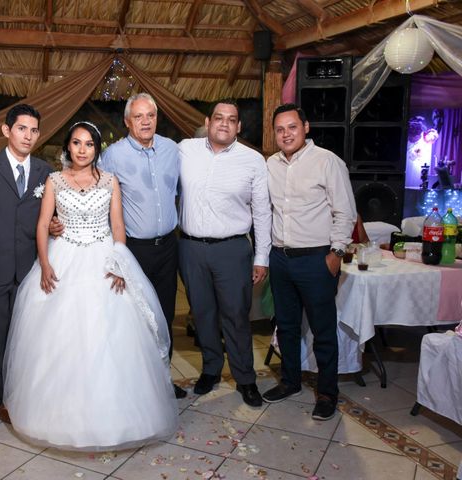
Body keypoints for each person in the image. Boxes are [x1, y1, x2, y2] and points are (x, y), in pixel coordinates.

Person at [3, 121, 178, 450]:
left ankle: (118, 418)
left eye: (89, 144)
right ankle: (57, 416)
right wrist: (44, 263)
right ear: (68, 147)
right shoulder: (54, 180)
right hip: (63, 259)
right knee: (61, 339)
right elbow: (43, 225)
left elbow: (118, 225)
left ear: (97, 149)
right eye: (76, 143)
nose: (82, 149)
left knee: (110, 337)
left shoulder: (111, 181)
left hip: (103, 260)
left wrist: (119, 262)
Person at [56, 93, 187, 398]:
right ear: (127, 121)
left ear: (157, 118)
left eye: (150, 115)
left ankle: (163, 379)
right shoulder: (112, 155)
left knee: (164, 313)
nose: (145, 121)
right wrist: (59, 219)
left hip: (168, 246)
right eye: (138, 116)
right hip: (134, 248)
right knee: (134, 317)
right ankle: (138, 383)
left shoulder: (172, 149)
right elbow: (84, 186)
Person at [264, 103, 356, 421]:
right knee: (287, 326)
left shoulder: (327, 162)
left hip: (317, 260)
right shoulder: (270, 165)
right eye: (280, 129)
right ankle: (290, 382)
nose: (286, 134)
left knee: (323, 330)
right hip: (281, 259)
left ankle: (328, 393)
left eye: (292, 127)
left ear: (306, 127)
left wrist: (337, 253)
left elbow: (345, 211)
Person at [178, 99, 272, 407]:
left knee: (236, 317)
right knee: (203, 315)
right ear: (208, 122)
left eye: (231, 120)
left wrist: (261, 257)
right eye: (219, 118)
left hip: (233, 249)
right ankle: (211, 370)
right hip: (191, 247)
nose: (224, 123)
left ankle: (245, 379)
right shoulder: (184, 150)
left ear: (238, 127)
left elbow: (262, 213)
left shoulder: (253, 160)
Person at [0, 104, 53, 420]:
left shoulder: (45, 172)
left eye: (33, 130)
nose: (28, 136)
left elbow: (50, 215)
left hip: (30, 266)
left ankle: (26, 389)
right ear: (7, 130)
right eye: (22, 128)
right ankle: (0, 395)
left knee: (30, 333)